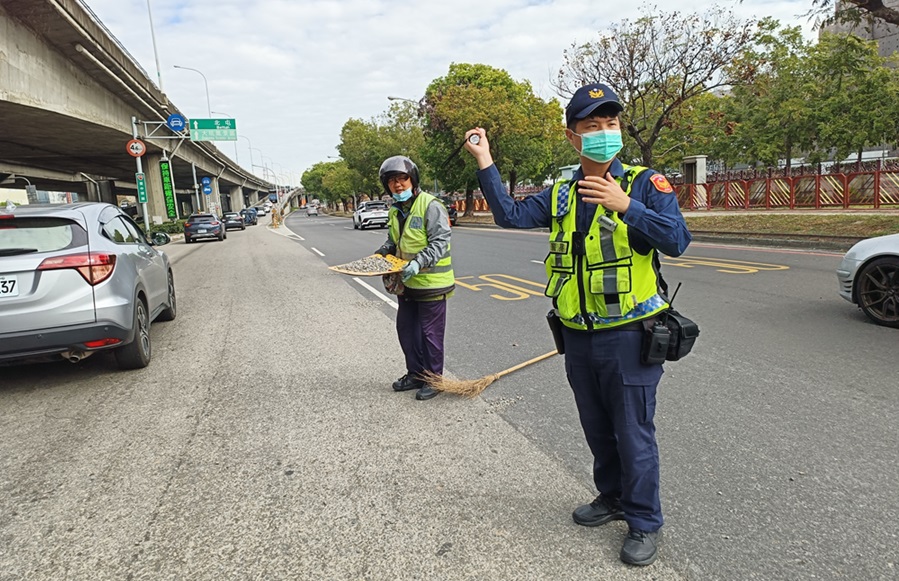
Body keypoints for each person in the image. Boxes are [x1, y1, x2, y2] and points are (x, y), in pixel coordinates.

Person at [463, 83, 691, 566]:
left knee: (633, 432)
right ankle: (611, 498)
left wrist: (626, 205)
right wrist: (485, 160)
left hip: (631, 335)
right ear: (573, 138)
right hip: (578, 336)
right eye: (592, 127)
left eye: (611, 124)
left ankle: (645, 520)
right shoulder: (562, 192)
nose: (604, 134)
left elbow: (678, 240)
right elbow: (508, 214)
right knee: (597, 427)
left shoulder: (646, 184)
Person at [374, 155, 454, 401]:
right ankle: (416, 374)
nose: (398, 185)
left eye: (402, 179)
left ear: (413, 180)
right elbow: (394, 241)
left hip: (432, 284)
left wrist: (419, 261)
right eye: (392, 181)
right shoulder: (395, 210)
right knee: (407, 331)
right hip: (406, 284)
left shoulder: (431, 205)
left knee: (430, 334)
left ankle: (435, 379)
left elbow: (441, 241)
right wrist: (382, 253)